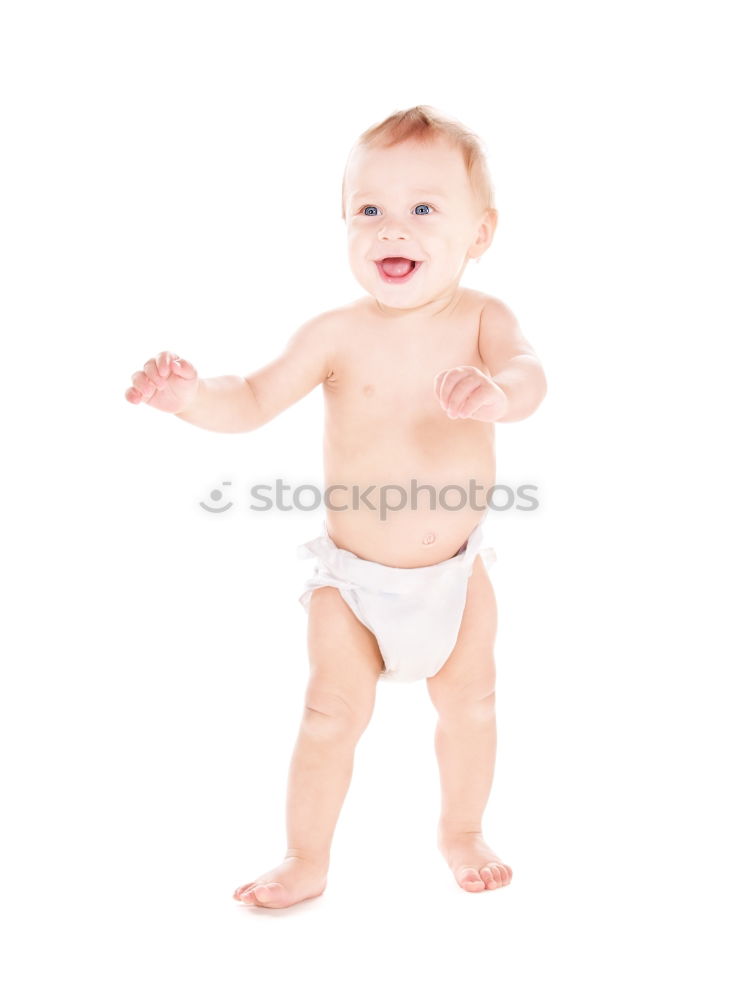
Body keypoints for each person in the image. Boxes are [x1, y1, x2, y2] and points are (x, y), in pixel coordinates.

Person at [124, 105, 547, 908]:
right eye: (370, 211)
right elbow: (247, 399)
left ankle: (462, 830)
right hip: (351, 584)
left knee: (473, 705)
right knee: (327, 715)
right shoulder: (332, 333)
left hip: (455, 581)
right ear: (344, 225)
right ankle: (305, 856)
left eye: (424, 209)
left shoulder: (483, 321)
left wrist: (497, 395)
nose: (394, 229)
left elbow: (530, 374)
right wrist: (189, 397)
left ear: (479, 232)